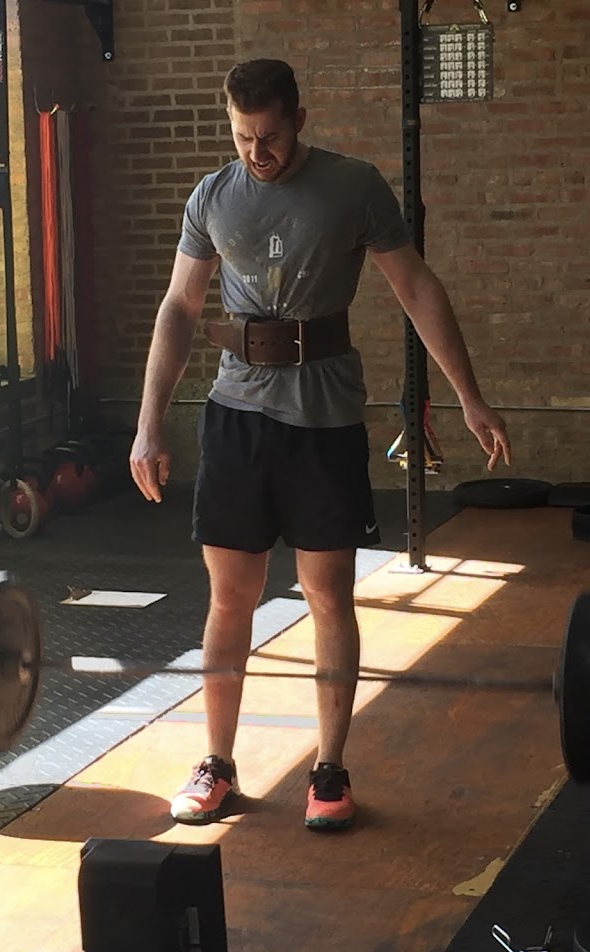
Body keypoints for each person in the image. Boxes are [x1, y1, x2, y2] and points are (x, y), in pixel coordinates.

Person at [129, 58, 510, 831]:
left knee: (328, 594)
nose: (256, 153)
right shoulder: (212, 196)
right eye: (242, 137)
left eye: (268, 137)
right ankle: (217, 764)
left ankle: (329, 770)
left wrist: (468, 396)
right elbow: (179, 306)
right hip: (236, 416)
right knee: (229, 598)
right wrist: (148, 423)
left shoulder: (353, 186)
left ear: (298, 119)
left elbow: (415, 287)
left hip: (325, 420)